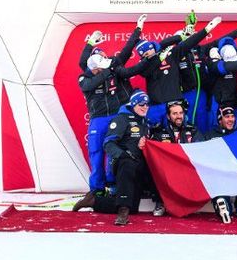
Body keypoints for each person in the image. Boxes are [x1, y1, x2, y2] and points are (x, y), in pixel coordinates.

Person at [72, 90, 157, 226]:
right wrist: (123, 155)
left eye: (147, 104)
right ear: (134, 104)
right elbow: (108, 143)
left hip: (139, 164)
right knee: (127, 164)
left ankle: (94, 201)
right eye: (142, 104)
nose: (145, 107)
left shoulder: (145, 122)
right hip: (122, 163)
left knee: (133, 208)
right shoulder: (122, 119)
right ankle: (122, 213)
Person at [78, 51, 149, 197]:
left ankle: (113, 185)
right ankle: (96, 189)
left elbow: (127, 62)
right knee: (96, 153)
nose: (105, 68)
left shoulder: (110, 72)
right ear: (94, 68)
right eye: (101, 67)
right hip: (98, 119)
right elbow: (89, 85)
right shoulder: (84, 78)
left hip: (115, 116)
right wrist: (107, 71)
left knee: (114, 151)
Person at [136, 17, 222, 126]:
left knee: (181, 133)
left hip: (174, 106)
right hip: (156, 107)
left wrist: (208, 28)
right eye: (145, 53)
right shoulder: (145, 64)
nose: (148, 53)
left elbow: (190, 42)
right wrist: (159, 54)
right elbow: (144, 72)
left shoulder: (173, 54)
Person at [149, 99, 203, 216]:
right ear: (168, 116)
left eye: (180, 113)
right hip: (168, 169)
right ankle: (160, 202)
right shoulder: (159, 132)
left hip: (188, 168)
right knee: (156, 168)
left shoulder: (193, 130)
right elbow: (153, 153)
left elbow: (200, 149)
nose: (179, 116)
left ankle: (186, 202)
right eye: (175, 113)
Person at [203, 106, 237, 223]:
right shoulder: (210, 135)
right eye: (227, 117)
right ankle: (223, 205)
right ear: (220, 120)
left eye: (232, 116)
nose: (231, 119)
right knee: (217, 176)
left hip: (236, 171)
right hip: (218, 173)